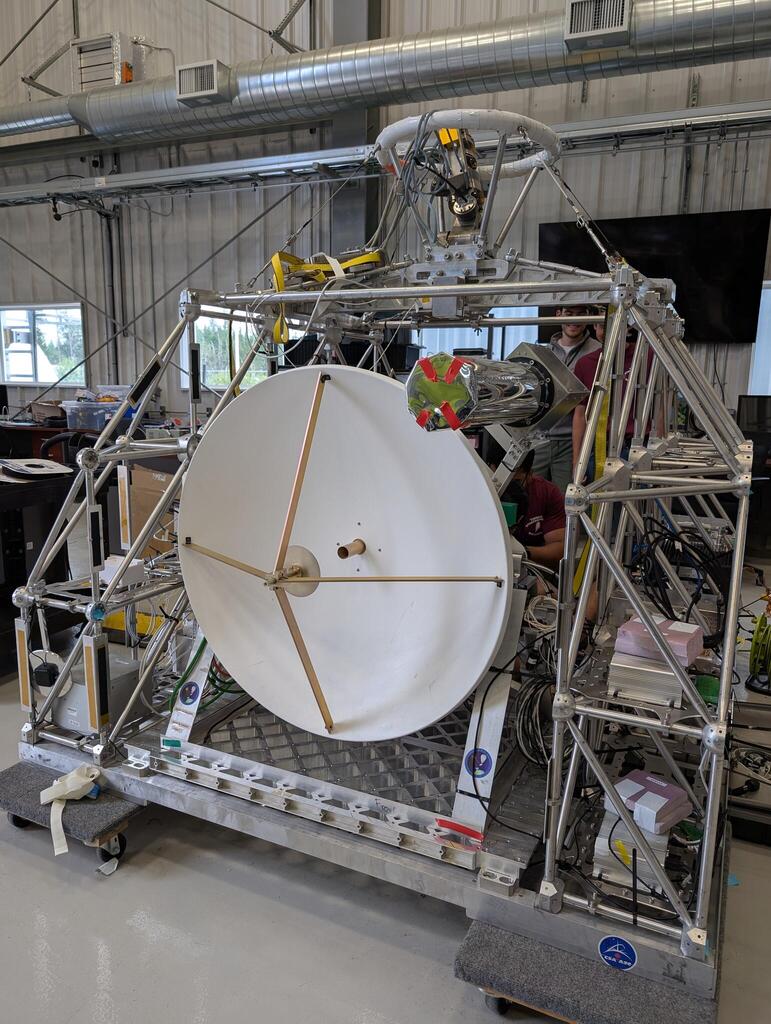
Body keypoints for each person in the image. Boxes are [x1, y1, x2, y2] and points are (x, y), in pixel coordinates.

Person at [531, 306, 601, 492]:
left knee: (567, 502)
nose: (574, 320)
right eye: (569, 313)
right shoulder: (542, 352)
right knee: (531, 499)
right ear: (558, 314)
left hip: (572, 442)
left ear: (589, 317)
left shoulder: (598, 353)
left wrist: (579, 456)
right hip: (539, 439)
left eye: (581, 314)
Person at [571, 328, 653, 480]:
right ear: (595, 327)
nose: (615, 330)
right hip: (597, 449)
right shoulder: (586, 364)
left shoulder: (648, 358)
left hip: (636, 448)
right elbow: (580, 414)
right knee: (595, 499)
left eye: (623, 325)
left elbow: (660, 408)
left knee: (632, 501)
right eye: (605, 326)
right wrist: (577, 461)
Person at [500, 450, 566, 568]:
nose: (507, 489)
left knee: (543, 587)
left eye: (515, 481)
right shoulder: (476, 493)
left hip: (532, 564)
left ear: (530, 475)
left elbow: (560, 548)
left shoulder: (547, 492)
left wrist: (523, 552)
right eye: (502, 481)